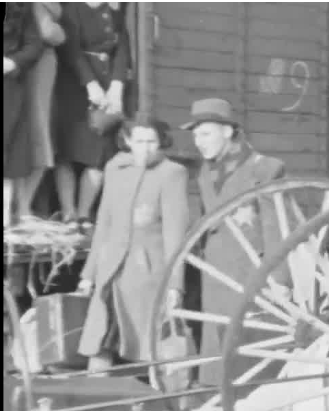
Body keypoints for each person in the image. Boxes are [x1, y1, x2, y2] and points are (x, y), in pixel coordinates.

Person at [180, 98, 288, 387]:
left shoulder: (264, 169)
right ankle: (214, 396)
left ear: (228, 131)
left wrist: (280, 281)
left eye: (205, 133)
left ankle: (249, 402)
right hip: (215, 273)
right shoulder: (207, 171)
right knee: (216, 342)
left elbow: (276, 228)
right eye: (195, 135)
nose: (198, 142)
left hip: (248, 273)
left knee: (248, 347)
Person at [77, 115, 190, 373]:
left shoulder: (172, 173)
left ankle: (155, 398)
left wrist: (175, 285)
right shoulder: (116, 169)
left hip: (146, 273)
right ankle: (95, 399)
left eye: (152, 141)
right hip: (110, 270)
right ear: (127, 140)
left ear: (162, 141)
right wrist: (89, 274)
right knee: (101, 338)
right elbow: (104, 223)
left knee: (147, 342)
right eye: (139, 141)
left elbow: (176, 234)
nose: (146, 147)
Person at [54, 1, 132, 223]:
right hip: (73, 86)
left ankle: (83, 214)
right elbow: (71, 52)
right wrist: (90, 84)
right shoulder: (72, 9)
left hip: (107, 84)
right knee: (66, 152)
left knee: (99, 154)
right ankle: (68, 212)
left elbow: (122, 49)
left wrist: (117, 86)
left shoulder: (113, 11)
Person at [16, 1, 65, 219]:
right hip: (33, 64)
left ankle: (22, 206)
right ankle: (22, 207)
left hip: (38, 64)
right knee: (35, 132)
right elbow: (49, 33)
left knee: (36, 132)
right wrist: (60, 32)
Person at [4, 1, 44, 226]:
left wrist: (13, 62)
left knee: (7, 151)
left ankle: (4, 218)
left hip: (8, 86)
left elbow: (34, 44)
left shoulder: (21, 8)